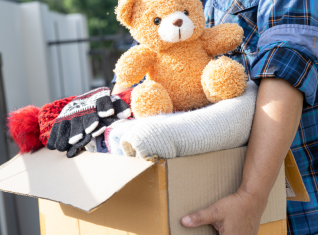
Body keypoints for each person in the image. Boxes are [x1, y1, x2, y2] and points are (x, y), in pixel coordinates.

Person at [112, 0, 318, 234]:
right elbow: (131, 78)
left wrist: (251, 198)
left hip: (285, 207)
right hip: (190, 201)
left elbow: (286, 64)